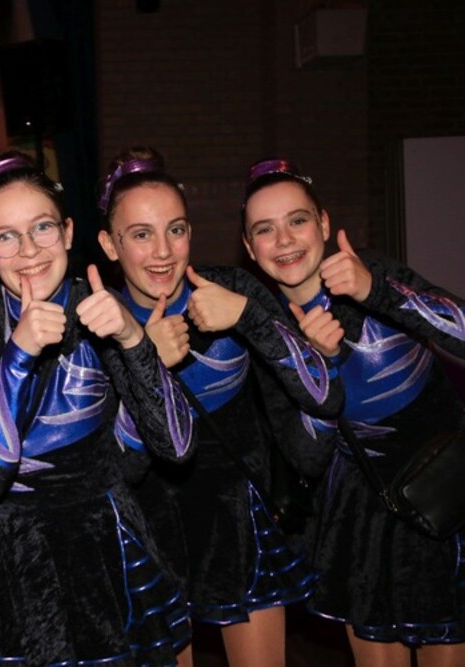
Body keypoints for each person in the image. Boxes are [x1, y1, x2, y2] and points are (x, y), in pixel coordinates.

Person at [0, 151, 196, 665]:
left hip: (109, 542)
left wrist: (133, 339)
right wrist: (18, 354)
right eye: (6, 237)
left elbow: (176, 446)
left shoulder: (102, 304)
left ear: (67, 232)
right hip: (15, 554)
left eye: (42, 227)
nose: (28, 250)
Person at [96, 148, 343, 667]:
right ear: (109, 245)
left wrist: (248, 316)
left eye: (176, 230)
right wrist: (144, 363)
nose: (162, 251)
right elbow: (114, 464)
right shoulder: (98, 322)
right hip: (148, 527)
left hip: (239, 517)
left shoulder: (229, 290)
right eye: (140, 234)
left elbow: (316, 399)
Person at [240, 158, 465, 667]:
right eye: (265, 229)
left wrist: (377, 292)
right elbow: (306, 457)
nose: (284, 240)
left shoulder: (371, 272)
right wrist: (318, 372)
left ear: (323, 223)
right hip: (365, 514)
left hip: (448, 487)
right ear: (250, 249)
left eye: (297, 220)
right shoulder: (270, 336)